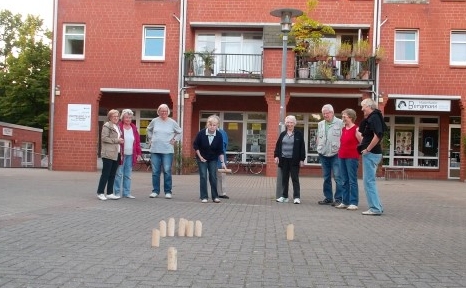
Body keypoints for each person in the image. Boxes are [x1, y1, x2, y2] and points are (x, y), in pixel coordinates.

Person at [147, 104, 182, 199]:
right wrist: (151, 138)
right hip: (155, 150)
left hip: (167, 150)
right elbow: (148, 130)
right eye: (162, 111)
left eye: (165, 111)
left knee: (167, 171)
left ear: (168, 112)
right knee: (155, 171)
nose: (164, 113)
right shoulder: (154, 121)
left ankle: (168, 191)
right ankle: (155, 191)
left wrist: (174, 140)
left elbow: (179, 131)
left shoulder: (172, 122)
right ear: (158, 111)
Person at [359, 98, 386, 216]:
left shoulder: (374, 117)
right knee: (370, 181)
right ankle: (378, 206)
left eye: (363, 106)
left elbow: (378, 135)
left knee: (368, 182)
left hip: (371, 153)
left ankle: (375, 208)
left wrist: (368, 149)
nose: (362, 109)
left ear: (369, 106)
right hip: (373, 153)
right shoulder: (375, 117)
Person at [193, 115, 227, 203]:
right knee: (203, 176)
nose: (212, 127)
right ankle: (204, 196)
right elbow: (195, 146)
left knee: (213, 176)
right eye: (210, 124)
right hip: (202, 158)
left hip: (213, 158)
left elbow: (220, 150)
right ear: (207, 125)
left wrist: (223, 163)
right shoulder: (201, 133)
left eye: (214, 125)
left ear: (217, 126)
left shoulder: (219, 135)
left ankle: (215, 196)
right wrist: (200, 157)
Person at [274, 115, 306, 204]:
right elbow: (278, 146)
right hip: (284, 159)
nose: (289, 124)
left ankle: (297, 197)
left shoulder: (299, 134)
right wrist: (276, 156)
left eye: (291, 122)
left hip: (294, 160)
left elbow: (302, 148)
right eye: (288, 122)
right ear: (285, 123)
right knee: (284, 179)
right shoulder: (283, 134)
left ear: (294, 123)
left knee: (295, 179)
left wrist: (302, 159)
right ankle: (284, 196)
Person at [316, 104, 344, 206]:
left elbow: (343, 138)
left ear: (332, 113)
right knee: (326, 177)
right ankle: (328, 198)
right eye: (323, 114)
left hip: (336, 153)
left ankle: (339, 199)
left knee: (338, 177)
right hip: (323, 153)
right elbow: (319, 136)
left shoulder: (340, 123)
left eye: (327, 113)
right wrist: (318, 146)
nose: (325, 115)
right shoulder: (321, 124)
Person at [335, 109, 362, 210]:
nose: (343, 119)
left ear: (350, 117)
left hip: (352, 157)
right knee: (344, 180)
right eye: (342, 117)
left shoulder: (356, 129)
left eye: (344, 117)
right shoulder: (343, 129)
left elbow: (362, 142)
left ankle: (354, 202)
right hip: (341, 156)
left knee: (352, 180)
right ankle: (345, 201)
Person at [114, 109, 142, 199]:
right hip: (121, 154)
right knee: (118, 174)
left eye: (130, 117)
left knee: (128, 175)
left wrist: (138, 154)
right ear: (122, 118)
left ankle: (126, 193)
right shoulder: (118, 127)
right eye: (126, 117)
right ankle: (117, 192)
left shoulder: (134, 128)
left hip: (131, 154)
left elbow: (137, 142)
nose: (128, 119)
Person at [97, 109, 124, 201]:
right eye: (114, 116)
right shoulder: (107, 126)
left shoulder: (117, 127)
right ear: (110, 117)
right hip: (108, 153)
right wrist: (117, 141)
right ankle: (100, 192)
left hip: (117, 153)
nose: (116, 118)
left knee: (113, 174)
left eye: (117, 116)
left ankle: (109, 193)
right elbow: (104, 138)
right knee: (106, 173)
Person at [217, 126, 229, 199]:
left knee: (221, 175)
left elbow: (225, 144)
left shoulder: (222, 133)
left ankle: (222, 193)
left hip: (221, 156)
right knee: (213, 176)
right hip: (211, 157)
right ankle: (215, 192)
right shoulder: (205, 132)